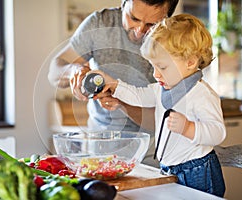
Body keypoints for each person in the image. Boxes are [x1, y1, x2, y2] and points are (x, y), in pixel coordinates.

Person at [94, 14, 226, 197]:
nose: (156, 74)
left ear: (190, 62)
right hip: (170, 169)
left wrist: (188, 127)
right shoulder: (162, 88)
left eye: (162, 67)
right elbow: (138, 96)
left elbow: (218, 132)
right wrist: (114, 84)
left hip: (197, 171)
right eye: (153, 67)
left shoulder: (201, 94)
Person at [48, 0, 180, 168]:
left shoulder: (174, 40)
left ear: (167, 18)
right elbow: (54, 71)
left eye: (151, 24)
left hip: (154, 151)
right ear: (123, 3)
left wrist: (121, 102)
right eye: (133, 18)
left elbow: (160, 121)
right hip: (98, 146)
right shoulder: (100, 23)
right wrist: (74, 70)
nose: (139, 31)